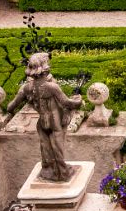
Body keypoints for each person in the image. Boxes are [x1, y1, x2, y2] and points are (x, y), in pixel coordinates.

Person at [6, 52, 83, 182]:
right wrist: (79, 100)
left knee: (45, 148)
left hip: (41, 122)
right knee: (57, 147)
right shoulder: (51, 86)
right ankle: (63, 173)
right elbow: (66, 102)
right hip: (55, 121)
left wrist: (10, 111)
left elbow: (11, 106)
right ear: (44, 67)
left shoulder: (27, 88)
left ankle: (48, 170)